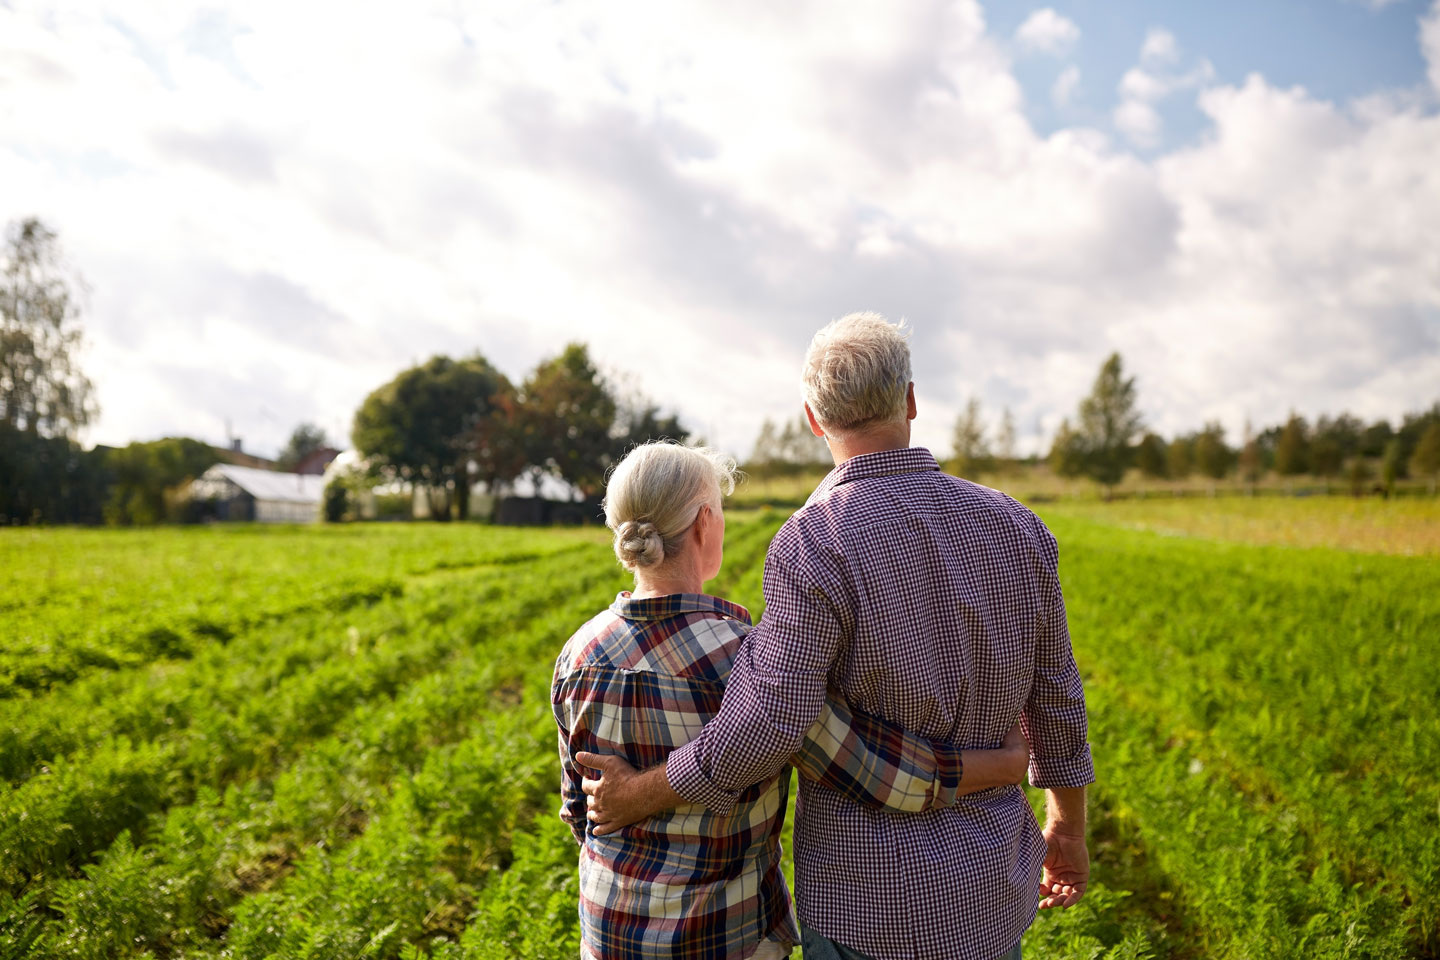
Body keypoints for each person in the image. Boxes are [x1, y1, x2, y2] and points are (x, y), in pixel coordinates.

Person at [580, 314, 1095, 960]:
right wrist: (1067, 829)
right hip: (991, 887)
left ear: (813, 420)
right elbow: (1058, 701)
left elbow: (768, 724)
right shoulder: (1018, 527)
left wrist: (636, 793)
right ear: (909, 400)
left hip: (866, 901)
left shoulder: (813, 542)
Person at [554, 440, 1031, 960]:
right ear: (702, 525)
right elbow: (872, 768)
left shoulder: (578, 654)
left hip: (607, 933)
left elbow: (580, 811)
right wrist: (999, 765)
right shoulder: (749, 658)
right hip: (725, 936)